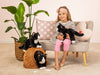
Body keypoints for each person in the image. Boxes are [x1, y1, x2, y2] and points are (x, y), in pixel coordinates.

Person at [50, 6, 75, 70]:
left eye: (63, 14)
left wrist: (68, 36)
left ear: (67, 14)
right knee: (57, 43)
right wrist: (58, 37)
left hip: (67, 38)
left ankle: (63, 59)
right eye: (59, 14)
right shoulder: (58, 24)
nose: (61, 16)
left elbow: (72, 33)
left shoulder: (71, 24)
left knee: (66, 42)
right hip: (60, 38)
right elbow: (56, 33)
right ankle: (56, 62)